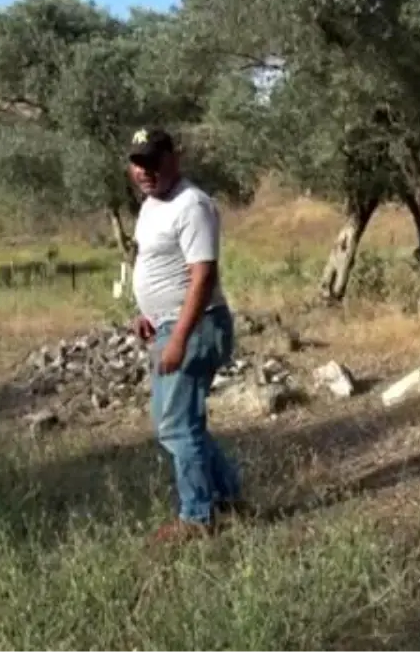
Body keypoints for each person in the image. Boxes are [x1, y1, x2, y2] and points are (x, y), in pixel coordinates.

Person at [126, 127, 246, 544]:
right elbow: (155, 261)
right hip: (169, 323)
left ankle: (197, 516)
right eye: (137, 163)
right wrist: (147, 311)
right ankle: (229, 496)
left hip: (195, 325)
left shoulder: (191, 205)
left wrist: (178, 336)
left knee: (176, 426)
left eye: (152, 162)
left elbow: (203, 274)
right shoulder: (151, 205)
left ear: (173, 159)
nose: (144, 171)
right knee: (179, 423)